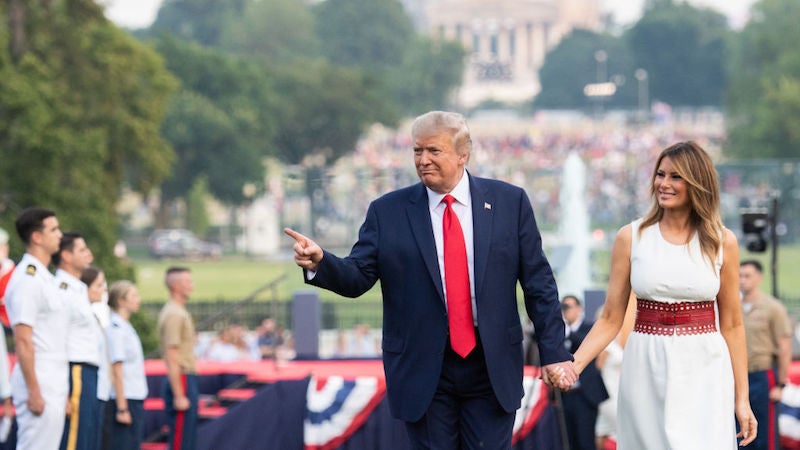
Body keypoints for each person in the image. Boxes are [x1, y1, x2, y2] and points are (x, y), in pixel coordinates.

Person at [285, 110, 576, 448]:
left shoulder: (509, 203)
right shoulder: (388, 211)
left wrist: (554, 352)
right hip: (423, 370)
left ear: (462, 154)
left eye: (433, 151)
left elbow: (539, 284)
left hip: (492, 365)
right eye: (417, 151)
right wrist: (321, 262)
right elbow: (358, 277)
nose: (423, 160)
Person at [566, 141, 757, 448]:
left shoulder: (723, 242)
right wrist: (573, 366)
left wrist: (742, 400)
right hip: (645, 363)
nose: (664, 184)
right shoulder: (631, 237)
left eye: (676, 177)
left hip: (704, 366)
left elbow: (733, 325)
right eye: (660, 174)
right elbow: (611, 318)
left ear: (697, 183)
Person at [4, 207, 68, 449]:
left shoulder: (44, 277)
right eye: (53, 229)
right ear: (36, 237)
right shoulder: (27, 280)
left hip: (52, 378)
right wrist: (34, 391)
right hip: (39, 377)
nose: (60, 235)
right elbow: (23, 340)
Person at [55, 232, 101, 450]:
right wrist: (62, 391)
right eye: (82, 250)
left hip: (87, 372)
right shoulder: (63, 289)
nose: (89, 254)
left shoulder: (78, 288)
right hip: (76, 371)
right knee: (74, 440)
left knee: (86, 438)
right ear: (66, 255)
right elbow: (57, 339)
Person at [740, 259, 792, 450]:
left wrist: (780, 383)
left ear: (759, 278)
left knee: (764, 432)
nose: (742, 280)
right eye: (739, 276)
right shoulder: (734, 307)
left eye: (747, 276)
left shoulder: (772, 308)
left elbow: (784, 347)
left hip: (762, 375)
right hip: (738, 376)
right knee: (739, 430)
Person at [559, 295, 608, 450]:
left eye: (569, 306)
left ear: (580, 308)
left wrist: (569, 333)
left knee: (585, 440)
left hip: (585, 394)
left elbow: (587, 343)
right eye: (563, 307)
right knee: (569, 440)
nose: (566, 311)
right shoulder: (559, 332)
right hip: (566, 394)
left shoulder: (588, 327)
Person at [158, 267, 198, 450]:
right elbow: (172, 355)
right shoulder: (174, 313)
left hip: (185, 377)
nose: (192, 286)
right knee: (180, 441)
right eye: (187, 282)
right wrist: (179, 394)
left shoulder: (177, 311)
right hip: (181, 378)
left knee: (187, 438)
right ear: (176, 286)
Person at [105, 280, 148, 450]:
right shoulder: (116, 329)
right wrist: (122, 408)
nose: (138, 300)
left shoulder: (125, 326)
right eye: (133, 296)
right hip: (125, 398)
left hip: (134, 394)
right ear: (121, 301)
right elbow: (116, 370)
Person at [80, 266, 110, 449]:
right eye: (98, 285)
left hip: (99, 390)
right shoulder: (83, 317)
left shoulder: (93, 316)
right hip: (89, 389)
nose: (103, 290)